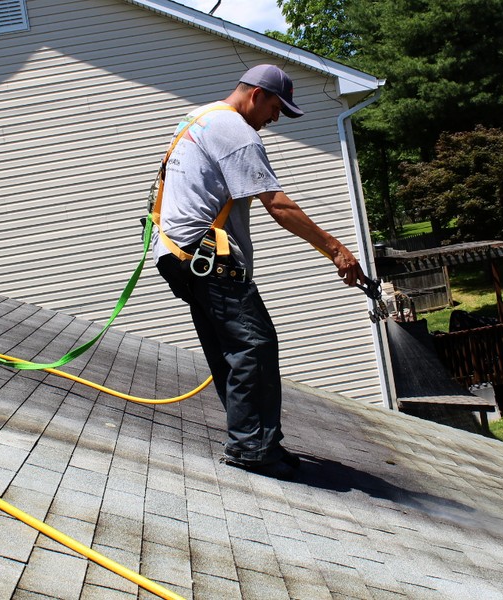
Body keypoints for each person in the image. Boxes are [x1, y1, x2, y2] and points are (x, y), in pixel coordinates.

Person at [153, 64, 365, 479]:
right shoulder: (235, 130)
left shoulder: (200, 117)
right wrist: (337, 250)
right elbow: (278, 205)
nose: (275, 119)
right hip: (205, 255)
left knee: (231, 349)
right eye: (276, 108)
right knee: (255, 345)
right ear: (256, 95)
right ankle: (253, 447)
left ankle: (255, 440)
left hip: (175, 253)